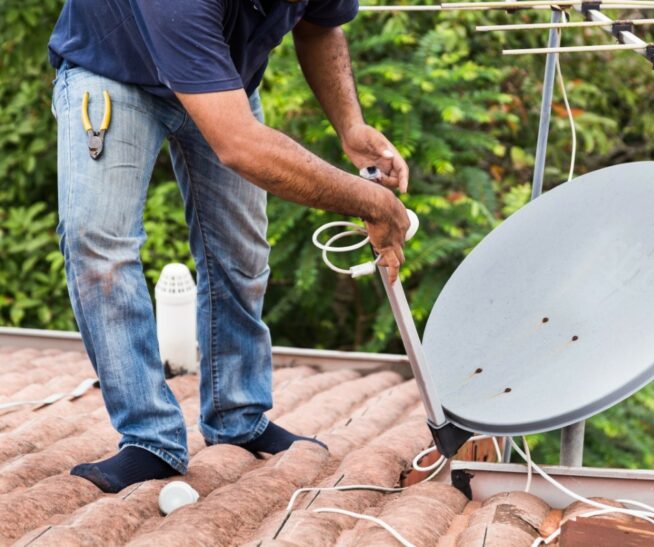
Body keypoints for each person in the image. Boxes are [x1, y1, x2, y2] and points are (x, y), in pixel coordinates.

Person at [48, 0, 410, 493]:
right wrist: (370, 201)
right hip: (115, 69)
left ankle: (239, 417)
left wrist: (351, 126)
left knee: (240, 254)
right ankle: (150, 438)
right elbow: (239, 143)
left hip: (219, 86)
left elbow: (319, 27)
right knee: (100, 248)